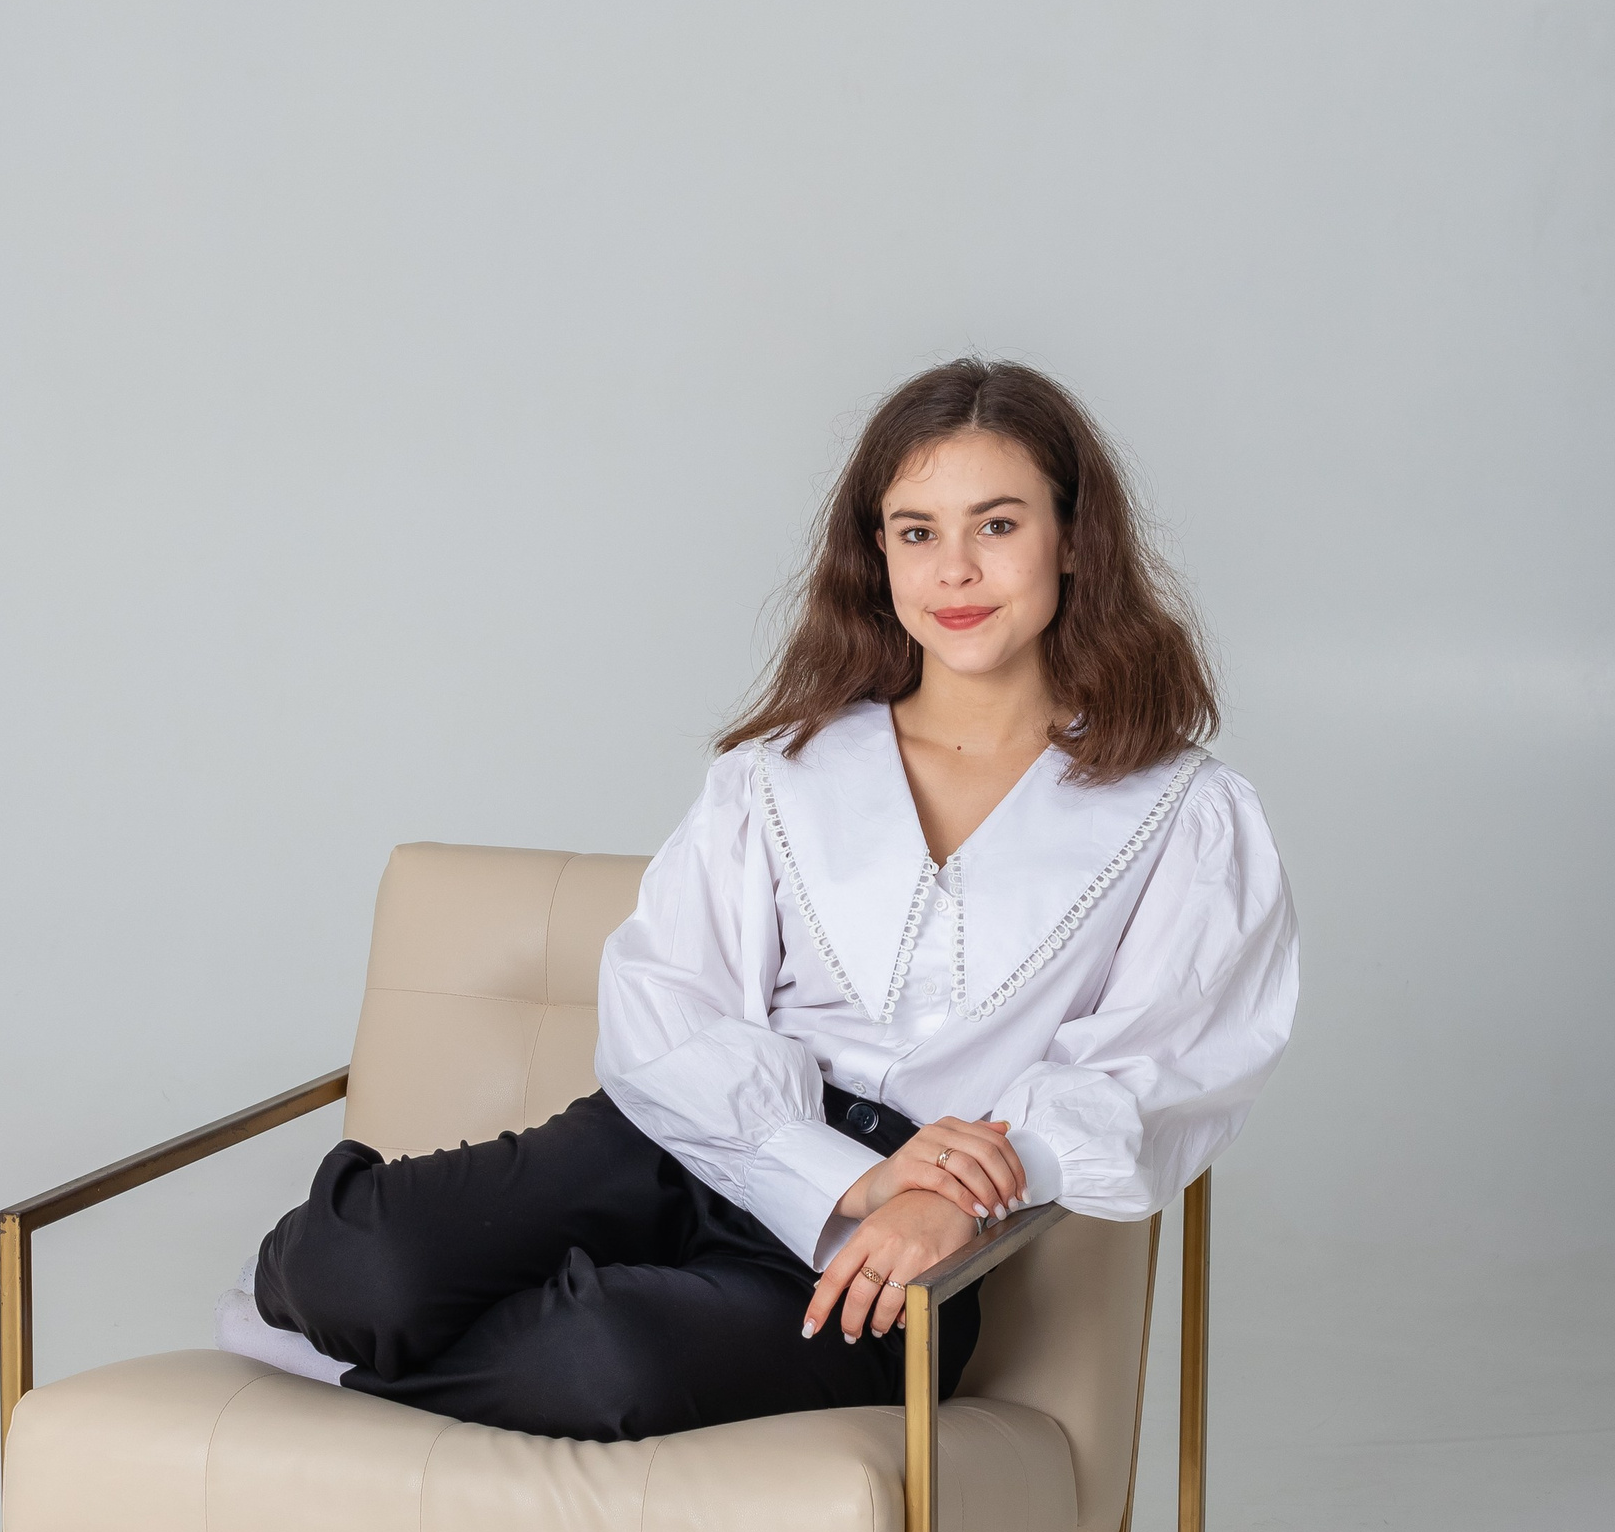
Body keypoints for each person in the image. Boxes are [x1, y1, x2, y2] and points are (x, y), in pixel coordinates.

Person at [235, 357, 1298, 1440]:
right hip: (693, 1138)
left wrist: (960, 1186)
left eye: (998, 524)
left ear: (1073, 539)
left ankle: (365, 1374)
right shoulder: (783, 772)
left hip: (905, 1239)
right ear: (878, 553)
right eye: (917, 531)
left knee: (601, 1356)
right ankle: (355, 1319)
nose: (956, 570)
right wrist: (835, 1175)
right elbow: (665, 1006)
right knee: (356, 1265)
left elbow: (1165, 1067)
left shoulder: (1182, 813)